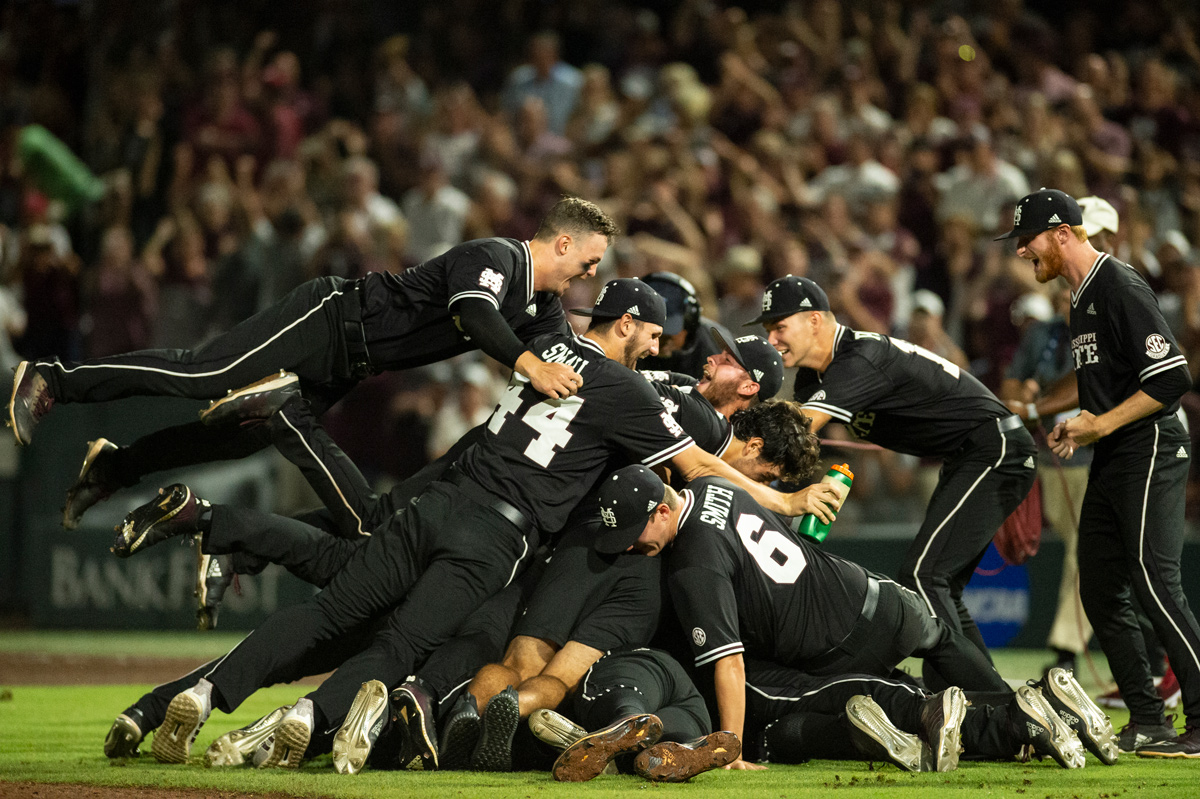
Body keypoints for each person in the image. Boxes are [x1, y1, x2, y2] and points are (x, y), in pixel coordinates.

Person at [127, 278, 841, 769]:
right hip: (499, 534)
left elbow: (492, 312)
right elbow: (702, 463)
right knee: (398, 634)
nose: (677, 347)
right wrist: (784, 500)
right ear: (628, 323)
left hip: (455, 485)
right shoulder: (661, 402)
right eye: (661, 332)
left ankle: (184, 685)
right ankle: (312, 710)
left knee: (334, 597)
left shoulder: (556, 344)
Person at [9, 196, 609, 485]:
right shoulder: (495, 256)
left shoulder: (540, 304)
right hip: (329, 318)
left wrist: (631, 358)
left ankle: (114, 470)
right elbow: (477, 315)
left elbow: (568, 356)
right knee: (205, 376)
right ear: (561, 243)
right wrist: (530, 363)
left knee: (244, 439)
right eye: (589, 259)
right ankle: (52, 379)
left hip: (347, 365)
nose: (590, 272)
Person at [605, 471, 1116, 771]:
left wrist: (731, 744)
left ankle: (1018, 719)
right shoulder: (715, 486)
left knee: (883, 699)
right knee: (939, 639)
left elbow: (730, 663)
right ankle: (1037, 706)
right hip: (870, 591)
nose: (632, 545)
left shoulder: (693, 560)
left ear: (662, 510)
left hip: (840, 642)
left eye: (634, 530)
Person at [753, 274, 1037, 684]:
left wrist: (722, 459)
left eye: (780, 327)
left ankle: (993, 702)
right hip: (973, 455)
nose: (773, 339)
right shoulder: (817, 378)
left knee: (924, 577)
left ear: (815, 320)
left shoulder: (858, 357)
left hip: (994, 448)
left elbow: (792, 434)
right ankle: (985, 697)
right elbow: (793, 452)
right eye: (767, 330)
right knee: (938, 584)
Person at [998, 187, 1200, 757]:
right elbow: (1108, 390)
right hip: (1120, 450)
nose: (1020, 252)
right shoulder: (1081, 298)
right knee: (1100, 583)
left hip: (1152, 445)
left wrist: (1101, 425)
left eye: (1027, 239)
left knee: (1154, 580)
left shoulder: (1118, 284)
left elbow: (1171, 379)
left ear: (1063, 233)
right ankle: (1148, 718)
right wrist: (1076, 423)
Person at [638, 271, 736, 379]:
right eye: (653, 335)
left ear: (690, 324)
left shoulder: (714, 345)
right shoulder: (625, 345)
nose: (656, 344)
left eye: (667, 337)